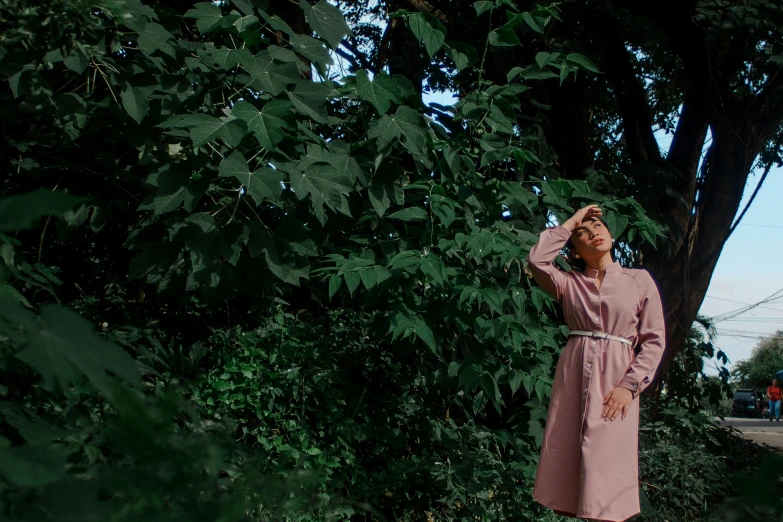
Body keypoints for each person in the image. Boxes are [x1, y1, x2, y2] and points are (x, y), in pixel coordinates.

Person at [526, 205, 666, 522]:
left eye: (598, 226)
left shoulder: (639, 280)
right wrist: (573, 221)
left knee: (606, 465)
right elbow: (536, 260)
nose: (594, 232)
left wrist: (629, 388)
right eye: (584, 233)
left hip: (616, 382)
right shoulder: (568, 284)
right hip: (574, 379)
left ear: (611, 234)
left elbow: (654, 340)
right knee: (572, 458)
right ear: (574, 249)